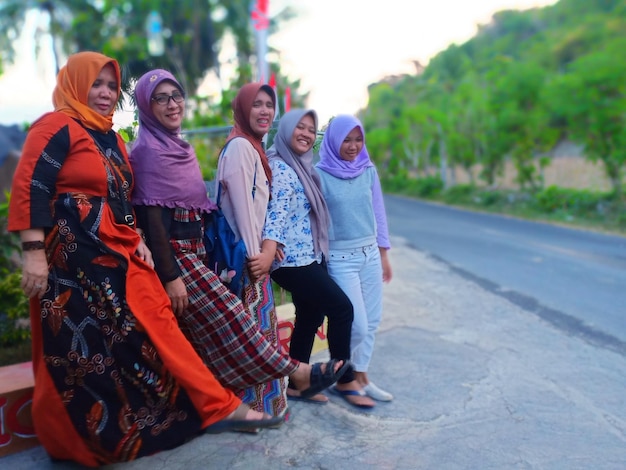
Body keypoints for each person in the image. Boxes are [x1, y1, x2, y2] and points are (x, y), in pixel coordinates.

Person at [7, 52, 282, 467]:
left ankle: (211, 408)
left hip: (115, 249)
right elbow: (32, 185)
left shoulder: (112, 138)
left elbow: (123, 195)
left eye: (111, 86)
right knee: (83, 353)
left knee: (152, 328)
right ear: (75, 83)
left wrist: (135, 236)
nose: (104, 93)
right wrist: (32, 254)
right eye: (96, 84)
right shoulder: (55, 126)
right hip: (69, 261)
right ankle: (91, 439)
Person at [129, 70, 346, 420]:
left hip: (206, 253)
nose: (172, 104)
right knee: (237, 324)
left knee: (232, 333)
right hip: (207, 259)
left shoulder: (181, 148)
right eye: (160, 98)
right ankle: (291, 379)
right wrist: (254, 256)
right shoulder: (157, 152)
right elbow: (228, 212)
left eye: (176, 95)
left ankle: (258, 407)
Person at [260, 109, 376, 408]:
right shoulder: (282, 168)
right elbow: (274, 213)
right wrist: (271, 246)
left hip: (307, 255)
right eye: (300, 127)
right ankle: (344, 376)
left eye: (311, 130)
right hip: (291, 262)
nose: (306, 134)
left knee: (310, 317)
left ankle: (298, 383)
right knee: (341, 309)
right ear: (285, 130)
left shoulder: (298, 165)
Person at [215, 82, 291, 415]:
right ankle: (258, 409)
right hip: (247, 265)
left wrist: (270, 249)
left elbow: (259, 206)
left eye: (269, 105)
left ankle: (265, 406)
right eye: (256, 105)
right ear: (243, 109)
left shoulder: (252, 147)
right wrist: (255, 255)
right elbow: (242, 209)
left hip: (256, 258)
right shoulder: (242, 149)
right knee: (254, 341)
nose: (264, 112)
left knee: (259, 339)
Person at [316, 114, 394, 402]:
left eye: (358, 139)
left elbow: (378, 214)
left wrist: (384, 254)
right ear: (334, 140)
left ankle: (361, 376)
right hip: (340, 257)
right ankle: (337, 372)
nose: (353, 146)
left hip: (370, 252)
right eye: (346, 140)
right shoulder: (320, 174)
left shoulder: (368, 170)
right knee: (357, 325)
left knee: (372, 321)